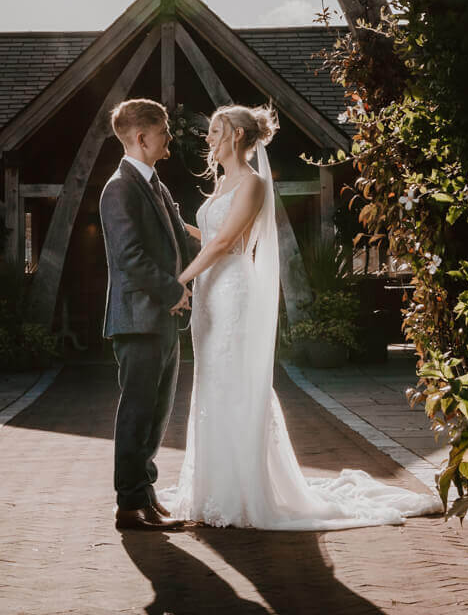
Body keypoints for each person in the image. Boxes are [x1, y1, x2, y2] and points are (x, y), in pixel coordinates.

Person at [161, 103, 440, 530]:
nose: (209, 140)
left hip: (232, 287)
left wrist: (179, 280)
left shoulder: (252, 184)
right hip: (209, 293)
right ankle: (212, 486)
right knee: (211, 381)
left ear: (237, 135)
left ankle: (243, 487)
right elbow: (211, 237)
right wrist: (180, 227)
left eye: (216, 132)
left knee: (234, 381)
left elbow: (225, 245)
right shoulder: (221, 184)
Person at [99, 98, 200, 532]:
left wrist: (232, 241)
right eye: (163, 130)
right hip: (139, 318)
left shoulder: (155, 185)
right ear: (142, 138)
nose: (169, 137)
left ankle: (147, 493)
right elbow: (130, 257)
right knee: (137, 413)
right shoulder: (118, 188)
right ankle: (129, 505)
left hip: (160, 319)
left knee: (158, 414)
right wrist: (174, 290)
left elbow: (184, 241)